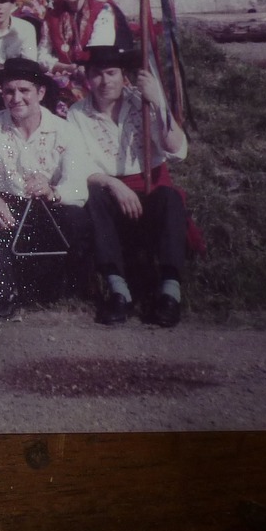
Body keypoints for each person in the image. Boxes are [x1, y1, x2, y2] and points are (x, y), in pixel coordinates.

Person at [66, 46, 192, 327]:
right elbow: (78, 164)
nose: (105, 81)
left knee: (170, 199)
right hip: (111, 194)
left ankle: (170, 292)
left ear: (124, 76)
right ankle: (118, 291)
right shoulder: (77, 114)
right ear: (88, 78)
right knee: (94, 196)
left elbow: (178, 150)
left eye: (112, 73)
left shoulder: (142, 103)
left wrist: (159, 103)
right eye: (97, 75)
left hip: (148, 189)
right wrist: (112, 184)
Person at [0, 57, 94, 316]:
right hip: (4, 207)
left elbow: (78, 186)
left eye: (24, 91)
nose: (16, 98)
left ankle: (63, 288)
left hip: (47, 210)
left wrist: (53, 191)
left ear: (41, 93)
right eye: (9, 91)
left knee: (78, 219)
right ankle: (3, 292)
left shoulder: (64, 130)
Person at [40, 0, 126, 103]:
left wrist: (82, 68)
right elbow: (42, 54)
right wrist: (65, 67)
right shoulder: (53, 16)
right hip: (64, 72)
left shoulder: (101, 11)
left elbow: (100, 48)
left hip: (96, 71)